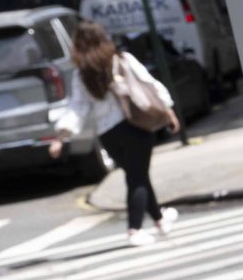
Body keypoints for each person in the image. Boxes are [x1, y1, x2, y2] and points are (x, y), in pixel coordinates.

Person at [68, 20, 179, 246]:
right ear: (103, 37)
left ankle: (159, 219)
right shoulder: (121, 60)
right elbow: (150, 83)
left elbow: (78, 108)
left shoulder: (80, 74)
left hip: (107, 134)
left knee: (137, 174)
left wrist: (63, 133)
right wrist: (168, 110)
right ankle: (134, 229)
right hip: (134, 125)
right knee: (137, 177)